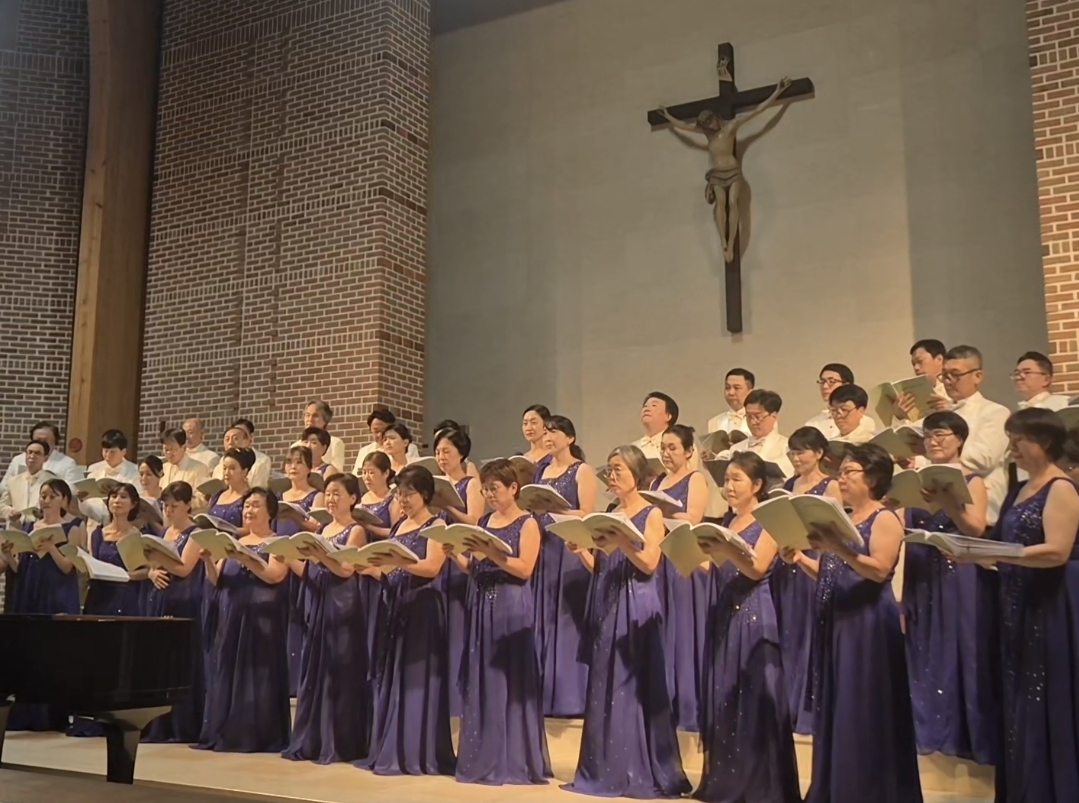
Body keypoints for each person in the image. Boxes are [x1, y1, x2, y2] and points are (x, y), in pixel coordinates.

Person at [785, 443, 922, 803]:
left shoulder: (884, 518)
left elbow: (878, 570)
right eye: (841, 472)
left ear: (872, 478)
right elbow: (832, 572)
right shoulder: (845, 518)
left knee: (863, 705)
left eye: (849, 472)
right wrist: (799, 557)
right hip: (837, 617)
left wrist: (838, 547)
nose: (841, 478)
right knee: (838, 705)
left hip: (867, 624)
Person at [563, 445, 689, 798]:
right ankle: (606, 765)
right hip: (608, 599)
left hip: (637, 602)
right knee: (606, 681)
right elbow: (603, 566)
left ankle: (636, 766)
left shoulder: (651, 513)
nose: (612, 475)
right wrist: (583, 551)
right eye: (610, 469)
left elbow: (649, 563)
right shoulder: (610, 512)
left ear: (636, 473)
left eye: (619, 469)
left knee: (632, 683)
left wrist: (621, 539)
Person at [977, 408, 1079, 802]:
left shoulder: (1061, 487)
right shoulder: (1020, 488)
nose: (1012, 448)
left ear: (1045, 442)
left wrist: (1001, 554)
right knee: (1019, 698)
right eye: (1011, 440)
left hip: (1049, 605)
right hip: (1017, 602)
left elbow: (1057, 551)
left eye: (1019, 440)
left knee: (1047, 695)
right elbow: (1003, 543)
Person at [695, 452, 800, 802]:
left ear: (756, 485)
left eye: (736, 479)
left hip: (755, 611)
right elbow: (724, 565)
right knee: (726, 691)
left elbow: (756, 568)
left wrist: (725, 547)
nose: (728, 486)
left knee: (754, 694)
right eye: (726, 479)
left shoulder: (767, 520)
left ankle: (758, 785)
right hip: (725, 608)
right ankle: (729, 778)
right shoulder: (729, 519)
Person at [444, 459, 552, 785]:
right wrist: (456, 556)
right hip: (481, 602)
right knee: (483, 677)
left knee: (510, 677)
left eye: (495, 488)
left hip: (510, 603)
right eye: (486, 489)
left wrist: (489, 552)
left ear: (513, 488)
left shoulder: (527, 522)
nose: (490, 495)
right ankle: (483, 754)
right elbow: (476, 568)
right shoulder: (484, 521)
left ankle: (514, 759)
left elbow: (524, 568)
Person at [897, 411, 996, 764]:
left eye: (941, 434)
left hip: (959, 574)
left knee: (959, 646)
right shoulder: (916, 483)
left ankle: (960, 733)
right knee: (923, 647)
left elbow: (976, 529)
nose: (933, 441)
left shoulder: (973, 480)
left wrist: (949, 502)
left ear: (960, 439)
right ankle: (929, 730)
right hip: (921, 572)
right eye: (928, 435)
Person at [357, 465, 455, 776]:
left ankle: (416, 750)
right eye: (399, 494)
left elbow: (432, 567)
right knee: (395, 673)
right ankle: (392, 744)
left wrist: (399, 561)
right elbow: (391, 569)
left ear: (424, 494)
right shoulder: (399, 524)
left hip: (423, 605)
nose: (403, 499)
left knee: (416, 677)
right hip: (396, 602)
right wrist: (369, 567)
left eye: (409, 494)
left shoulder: (437, 524)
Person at [283, 473, 371, 764]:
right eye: (329, 493)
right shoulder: (322, 528)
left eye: (337, 493)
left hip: (343, 604)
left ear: (353, 498)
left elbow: (346, 569)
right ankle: (313, 738)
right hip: (320, 599)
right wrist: (288, 557)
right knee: (316, 668)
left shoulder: (355, 531)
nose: (331, 499)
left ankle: (340, 742)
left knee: (340, 669)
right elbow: (311, 571)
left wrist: (320, 555)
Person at [196, 488, 291, 753]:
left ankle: (256, 735)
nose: (249, 510)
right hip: (232, 615)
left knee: (259, 674)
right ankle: (226, 730)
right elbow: (217, 579)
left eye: (256, 505)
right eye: (246, 505)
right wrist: (208, 561)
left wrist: (246, 558)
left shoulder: (278, 542)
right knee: (229, 671)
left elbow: (275, 575)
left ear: (270, 511)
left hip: (262, 619)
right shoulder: (235, 541)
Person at [0, 479, 84, 732]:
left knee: (53, 652)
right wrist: (7, 554)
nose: (46, 500)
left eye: (52, 496)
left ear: (64, 500)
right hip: (30, 590)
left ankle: (51, 715)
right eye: (43, 495)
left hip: (56, 591)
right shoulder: (29, 526)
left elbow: (69, 567)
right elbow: (19, 568)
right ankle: (25, 712)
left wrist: (51, 548)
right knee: (28, 651)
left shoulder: (72, 527)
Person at [773, 426, 840, 736]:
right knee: (786, 629)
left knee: (808, 629)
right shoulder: (789, 484)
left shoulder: (831, 485)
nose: (795, 458)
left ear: (819, 453)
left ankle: (806, 709)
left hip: (813, 558)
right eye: (792, 452)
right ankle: (783, 705)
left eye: (801, 452)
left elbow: (834, 529)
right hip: (787, 559)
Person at [530, 415, 597, 718]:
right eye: (546, 432)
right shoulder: (541, 470)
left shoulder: (581, 469)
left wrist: (556, 508)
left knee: (568, 619)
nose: (548, 436)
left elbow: (587, 513)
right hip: (544, 547)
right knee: (543, 614)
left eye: (554, 431)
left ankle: (571, 698)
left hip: (569, 547)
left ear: (570, 438)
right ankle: (543, 694)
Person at [651, 423, 710, 732]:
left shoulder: (694, 478)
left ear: (688, 451)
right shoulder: (657, 480)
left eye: (672, 447)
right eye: (663, 447)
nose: (666, 453)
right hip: (660, 557)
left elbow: (693, 519)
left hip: (683, 558)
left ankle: (687, 705)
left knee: (684, 630)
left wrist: (664, 511)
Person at [142, 482, 206, 743]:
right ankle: (160, 723)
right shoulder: (165, 531)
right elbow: (153, 565)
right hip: (161, 596)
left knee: (181, 660)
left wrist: (159, 558)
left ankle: (183, 724)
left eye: (174, 506)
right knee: (160, 660)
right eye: (165, 506)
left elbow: (184, 568)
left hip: (183, 600)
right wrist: (151, 572)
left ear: (188, 505)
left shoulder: (195, 533)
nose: (169, 511)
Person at [432, 427, 485, 718]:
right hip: (437, 558)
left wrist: (447, 506)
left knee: (457, 626)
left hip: (459, 558)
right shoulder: (435, 484)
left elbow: (475, 521)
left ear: (461, 454)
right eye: (438, 452)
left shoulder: (471, 484)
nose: (441, 457)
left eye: (447, 452)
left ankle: (458, 699)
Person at [942, 345, 1010, 525]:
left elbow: (982, 459)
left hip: (982, 512)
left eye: (955, 375)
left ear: (977, 376)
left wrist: (934, 454)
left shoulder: (995, 412)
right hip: (940, 509)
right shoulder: (939, 414)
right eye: (944, 375)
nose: (948, 381)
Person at [277, 446, 325, 696]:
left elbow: (319, 528)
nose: (293, 467)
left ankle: (300, 680)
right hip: (281, 561)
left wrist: (297, 518)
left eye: (298, 462)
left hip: (302, 560)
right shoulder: (280, 496)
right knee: (283, 618)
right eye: (289, 462)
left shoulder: (316, 496)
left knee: (301, 618)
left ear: (309, 468)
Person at [728, 389, 794, 477]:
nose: (753, 422)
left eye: (757, 417)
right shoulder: (736, 449)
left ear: (774, 416)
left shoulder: (787, 447)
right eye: (749, 416)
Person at [1, 420, 82, 492]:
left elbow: (74, 491)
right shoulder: (18, 460)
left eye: (45, 440)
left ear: (55, 442)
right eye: (37, 440)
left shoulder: (67, 463)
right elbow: (3, 487)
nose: (41, 443)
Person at [893, 340, 950, 424]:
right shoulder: (914, 394)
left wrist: (951, 410)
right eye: (913, 364)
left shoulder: (955, 388)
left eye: (920, 361)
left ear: (939, 359)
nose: (916, 368)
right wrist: (900, 416)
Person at [0, 440, 55, 524]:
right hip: (16, 526)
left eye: (37, 453)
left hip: (42, 525)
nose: (32, 456)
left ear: (45, 458)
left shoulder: (53, 481)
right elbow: (2, 505)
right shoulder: (13, 481)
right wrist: (10, 512)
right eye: (29, 452)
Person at [352, 405, 420, 473]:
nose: (380, 435)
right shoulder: (365, 451)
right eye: (376, 431)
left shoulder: (408, 448)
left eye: (383, 430)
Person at [203, 448, 255, 531]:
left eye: (232, 468)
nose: (226, 473)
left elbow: (250, 530)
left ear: (244, 472)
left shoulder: (250, 498)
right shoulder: (217, 495)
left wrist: (229, 531)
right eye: (224, 468)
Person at [805, 363, 857, 438]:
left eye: (831, 381)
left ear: (846, 385)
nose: (825, 386)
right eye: (822, 381)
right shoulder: (812, 425)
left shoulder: (862, 421)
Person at [294, 400, 345, 471]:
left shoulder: (335, 443)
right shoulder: (295, 446)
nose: (310, 419)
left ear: (325, 420)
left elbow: (338, 472)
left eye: (315, 416)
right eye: (307, 415)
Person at [706, 368, 754, 436]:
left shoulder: (760, 420)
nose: (731, 392)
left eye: (737, 388)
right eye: (727, 387)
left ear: (750, 392)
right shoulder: (714, 422)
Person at [228, 418, 272, 489]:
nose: (231, 441)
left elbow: (258, 489)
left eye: (243, 434)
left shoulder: (262, 460)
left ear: (251, 437)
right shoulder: (222, 462)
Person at [635, 391, 679, 460]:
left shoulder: (680, 445)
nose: (646, 409)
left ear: (668, 416)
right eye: (645, 406)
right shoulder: (633, 448)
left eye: (654, 405)